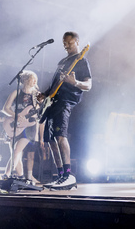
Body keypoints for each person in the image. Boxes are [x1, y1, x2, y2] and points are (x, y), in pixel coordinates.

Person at [37, 31, 92, 189]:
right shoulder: (62, 61)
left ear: (77, 42)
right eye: (64, 43)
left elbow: (88, 85)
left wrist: (74, 82)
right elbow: (56, 83)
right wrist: (45, 94)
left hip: (65, 101)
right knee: (52, 140)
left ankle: (69, 175)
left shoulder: (81, 60)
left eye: (69, 43)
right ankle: (60, 175)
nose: (66, 46)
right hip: (52, 102)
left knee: (61, 136)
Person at [1, 70, 43, 183]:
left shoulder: (37, 95)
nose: (35, 81)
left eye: (36, 79)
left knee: (16, 150)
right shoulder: (16, 92)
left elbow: (40, 113)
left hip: (29, 127)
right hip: (15, 125)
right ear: (25, 80)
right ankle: (21, 177)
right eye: (32, 78)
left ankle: (6, 175)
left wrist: (39, 136)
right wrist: (16, 116)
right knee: (15, 154)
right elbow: (6, 108)